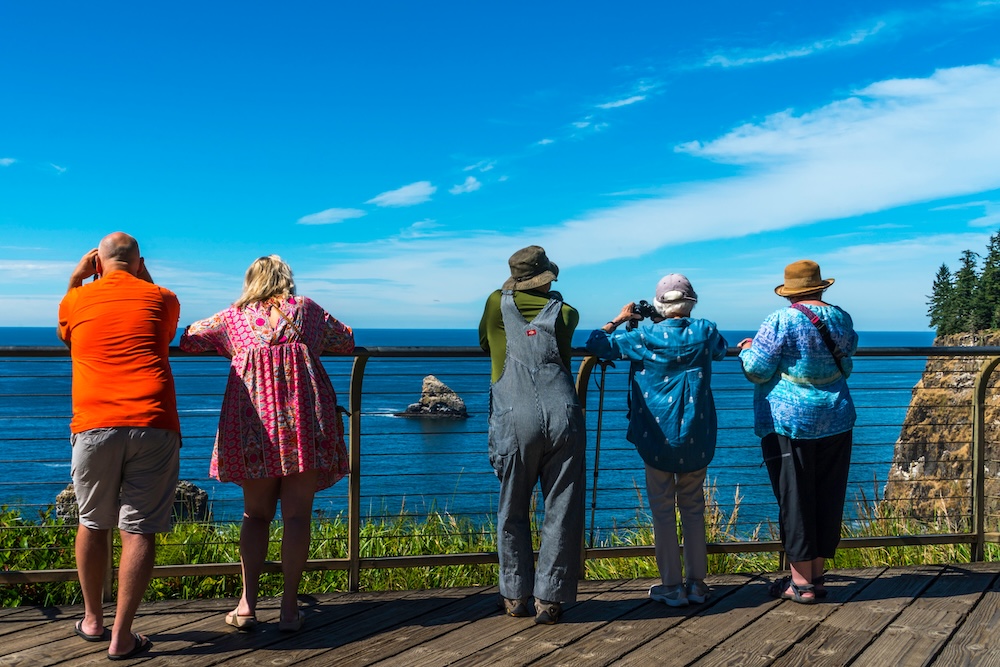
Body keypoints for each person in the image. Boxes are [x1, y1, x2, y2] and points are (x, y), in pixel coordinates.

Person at [179, 255, 354, 632]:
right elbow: (346, 339)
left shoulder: (232, 317)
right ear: (287, 279)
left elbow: (189, 339)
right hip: (305, 426)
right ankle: (289, 610)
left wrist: (236, 350)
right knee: (296, 517)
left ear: (250, 281)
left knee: (255, 516)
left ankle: (246, 606)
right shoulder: (306, 309)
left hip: (252, 425)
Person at [58, 232, 180, 660]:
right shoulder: (163, 297)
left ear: (97, 262)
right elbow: (163, 333)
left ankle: (93, 621)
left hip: (94, 424)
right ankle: (122, 636)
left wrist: (76, 278)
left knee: (93, 522)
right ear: (140, 262)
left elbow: (67, 337)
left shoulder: (76, 299)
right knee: (139, 528)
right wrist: (145, 277)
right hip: (153, 420)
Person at [586, 274, 727, 607]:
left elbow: (597, 343)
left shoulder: (646, 336)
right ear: (691, 303)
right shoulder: (705, 330)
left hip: (657, 436)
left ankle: (672, 587)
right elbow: (720, 351)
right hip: (697, 433)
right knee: (693, 509)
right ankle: (697, 584)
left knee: (663, 511)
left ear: (661, 305)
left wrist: (619, 319)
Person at [736, 259, 858, 604]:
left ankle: (800, 584)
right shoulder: (841, 317)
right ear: (820, 287)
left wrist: (746, 350)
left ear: (790, 292)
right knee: (826, 495)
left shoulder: (780, 319)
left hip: (790, 422)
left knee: (795, 498)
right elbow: (847, 356)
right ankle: (816, 576)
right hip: (836, 416)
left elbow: (758, 371)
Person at [479, 245, 587, 625]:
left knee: (512, 507)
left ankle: (514, 595)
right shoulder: (568, 313)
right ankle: (550, 599)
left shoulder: (496, 304)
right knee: (561, 507)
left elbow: (484, 341)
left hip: (515, 414)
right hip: (564, 414)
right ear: (548, 277)